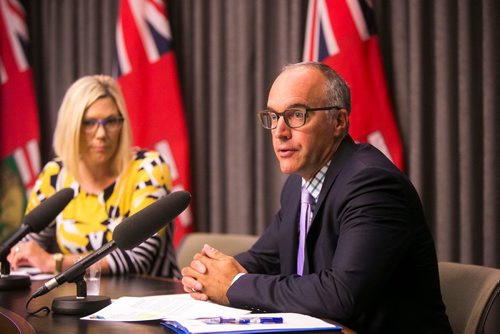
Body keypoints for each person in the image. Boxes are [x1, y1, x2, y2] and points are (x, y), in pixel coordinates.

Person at [181, 62, 452, 332]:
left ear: (339, 121)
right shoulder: (297, 187)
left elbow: (341, 295)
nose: (279, 131)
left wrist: (233, 284)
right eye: (273, 117)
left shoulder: (371, 184)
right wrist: (209, 274)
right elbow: (266, 259)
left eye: (296, 115)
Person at [7, 75, 179, 278]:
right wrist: (23, 255)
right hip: (78, 299)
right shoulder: (56, 175)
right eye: (89, 123)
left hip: (149, 300)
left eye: (111, 121)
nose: (101, 134)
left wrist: (55, 262)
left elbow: (136, 259)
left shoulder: (148, 168)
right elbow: (27, 248)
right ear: (71, 127)